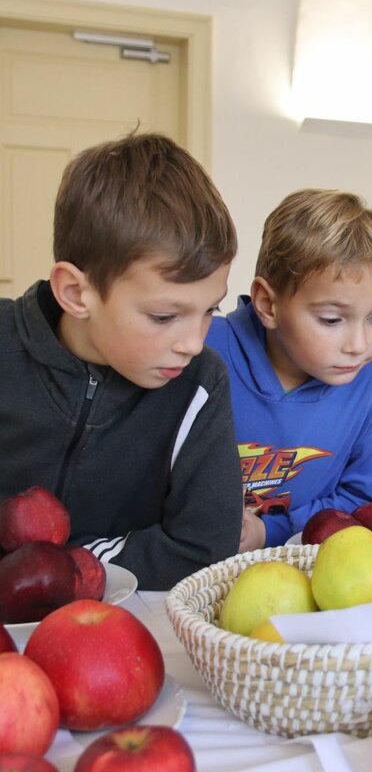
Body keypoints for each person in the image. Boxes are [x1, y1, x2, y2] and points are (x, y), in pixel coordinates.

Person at [0, 133, 244, 590]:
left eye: (210, 309)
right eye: (164, 316)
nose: (193, 342)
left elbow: (204, 547)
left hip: (132, 627)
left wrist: (59, 569)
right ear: (76, 293)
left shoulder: (201, 383)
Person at [206, 189, 372, 549]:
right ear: (268, 303)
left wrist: (270, 532)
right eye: (331, 319)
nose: (359, 344)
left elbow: (365, 503)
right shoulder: (203, 350)